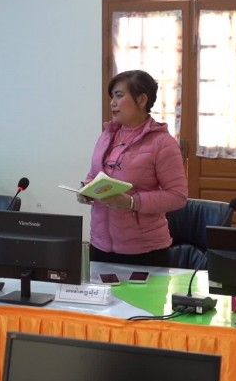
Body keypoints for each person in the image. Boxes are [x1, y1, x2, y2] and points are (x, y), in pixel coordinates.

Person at [78, 70, 188, 267]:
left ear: (142, 99)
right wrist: (86, 190)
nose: (113, 103)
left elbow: (177, 196)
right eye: (112, 97)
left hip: (144, 251)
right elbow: (94, 175)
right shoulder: (107, 135)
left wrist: (131, 202)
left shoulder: (162, 142)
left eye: (119, 96)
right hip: (100, 246)